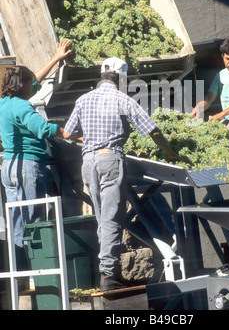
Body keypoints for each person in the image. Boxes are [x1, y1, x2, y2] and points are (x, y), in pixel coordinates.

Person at [63, 57, 183, 291]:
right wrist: (170, 153)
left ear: (101, 75)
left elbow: (68, 133)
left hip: (88, 161)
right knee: (111, 218)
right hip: (110, 160)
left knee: (102, 217)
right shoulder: (122, 99)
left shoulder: (82, 100)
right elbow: (153, 131)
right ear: (122, 78)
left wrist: (90, 140)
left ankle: (108, 269)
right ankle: (108, 275)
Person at [0, 39, 71, 264]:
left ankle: (20, 269)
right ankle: (37, 268)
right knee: (34, 218)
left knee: (17, 220)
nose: (34, 87)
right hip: (27, 167)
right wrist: (71, 133)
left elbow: (35, 82)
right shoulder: (22, 105)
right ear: (23, 87)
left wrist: (55, 58)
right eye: (30, 84)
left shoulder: (4, 102)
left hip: (9, 167)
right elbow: (43, 128)